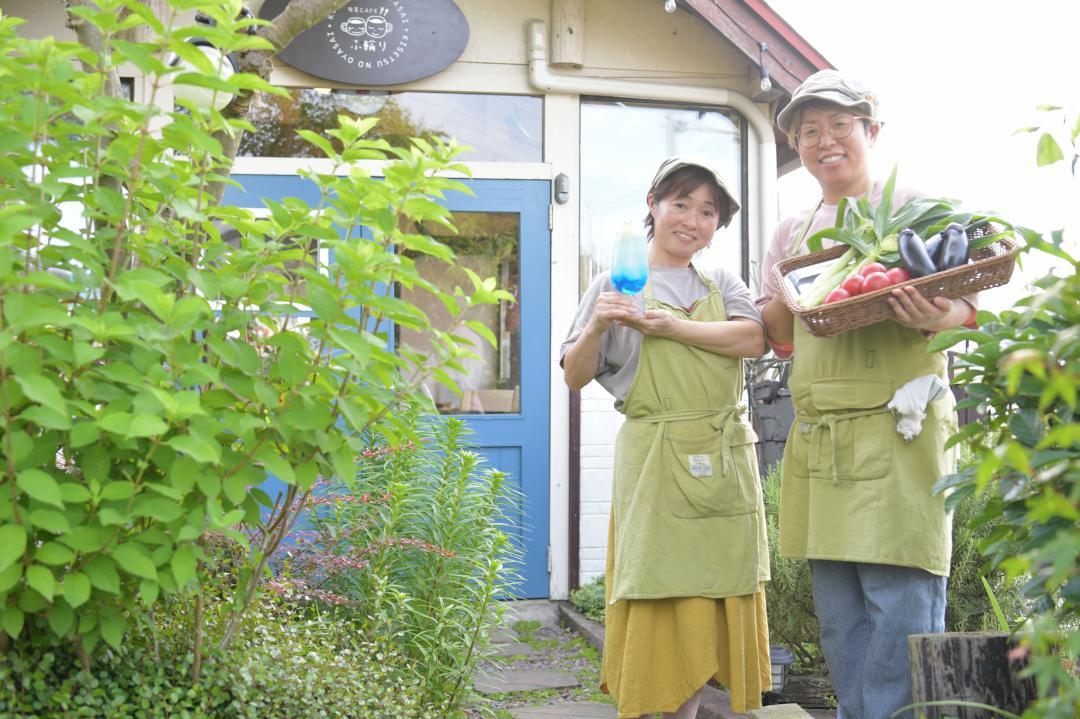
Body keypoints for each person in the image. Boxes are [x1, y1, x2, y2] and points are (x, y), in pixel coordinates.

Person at [757, 70, 977, 719]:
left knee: (903, 615)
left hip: (900, 433)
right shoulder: (791, 233)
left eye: (838, 126)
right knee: (842, 620)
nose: (823, 141)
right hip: (823, 441)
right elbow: (781, 335)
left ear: (870, 131)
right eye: (808, 131)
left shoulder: (917, 206)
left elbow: (975, 308)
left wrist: (934, 315)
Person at [561, 157, 772, 718]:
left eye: (708, 212)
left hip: (721, 454)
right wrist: (599, 324)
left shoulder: (722, 282)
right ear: (653, 205)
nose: (693, 221)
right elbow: (574, 375)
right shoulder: (611, 284)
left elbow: (753, 339)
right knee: (660, 593)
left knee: (710, 598)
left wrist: (675, 326)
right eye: (681, 204)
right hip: (654, 456)